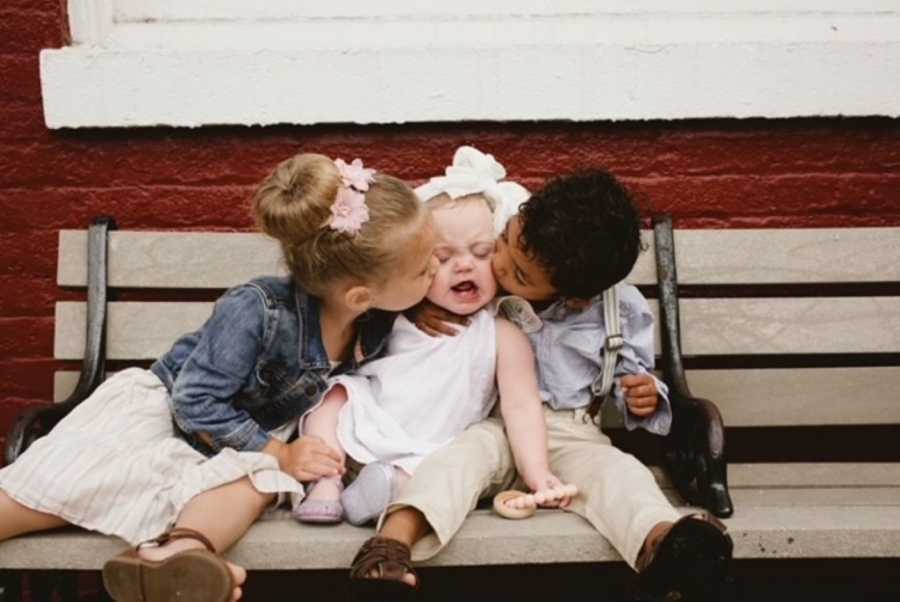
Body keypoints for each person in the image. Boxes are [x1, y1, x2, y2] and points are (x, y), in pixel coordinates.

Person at [0, 153, 437, 602]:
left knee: (262, 484)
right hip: (165, 414)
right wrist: (278, 452)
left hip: (238, 449)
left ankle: (177, 559)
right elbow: (194, 402)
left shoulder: (374, 321)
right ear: (361, 295)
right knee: (66, 485)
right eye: (425, 269)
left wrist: (277, 458)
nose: (436, 271)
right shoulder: (257, 309)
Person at [348, 150, 733, 602]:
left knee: (620, 475)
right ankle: (390, 545)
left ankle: (667, 545)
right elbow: (432, 261)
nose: (501, 264)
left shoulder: (614, 311)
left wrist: (645, 393)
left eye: (520, 272)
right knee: (452, 465)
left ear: (575, 298)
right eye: (507, 241)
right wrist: (422, 300)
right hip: (490, 423)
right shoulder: (490, 281)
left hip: (572, 433)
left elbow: (635, 375)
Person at [294, 148, 574, 526]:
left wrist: (538, 474)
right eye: (441, 258)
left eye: (481, 252)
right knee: (335, 398)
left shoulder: (503, 334)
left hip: (432, 445)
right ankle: (326, 480)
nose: (463, 265)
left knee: (437, 471)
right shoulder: (395, 311)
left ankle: (382, 490)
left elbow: (522, 407)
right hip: (369, 415)